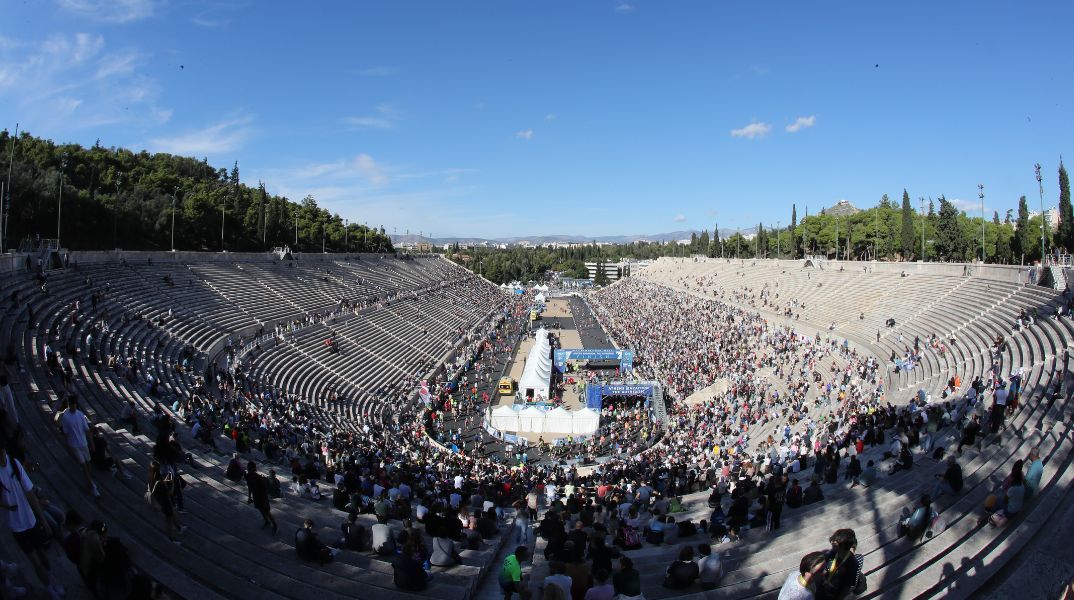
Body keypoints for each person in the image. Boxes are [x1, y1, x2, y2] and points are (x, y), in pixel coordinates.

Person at [0, 445, 65, 599]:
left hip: (30, 518)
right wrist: (6, 505)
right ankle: (49, 588)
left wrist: (42, 518)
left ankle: (52, 582)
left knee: (42, 555)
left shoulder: (15, 464)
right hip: (16, 525)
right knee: (34, 560)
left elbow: (30, 493)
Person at [57, 398, 99, 497]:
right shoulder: (65, 417)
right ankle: (92, 486)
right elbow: (66, 432)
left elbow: (87, 430)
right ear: (69, 405)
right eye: (71, 405)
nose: (73, 406)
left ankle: (89, 481)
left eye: (74, 404)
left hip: (83, 443)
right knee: (84, 465)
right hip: (74, 444)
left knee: (88, 464)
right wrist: (68, 445)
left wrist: (91, 443)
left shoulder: (80, 415)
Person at [148, 460, 184, 544]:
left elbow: (151, 491)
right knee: (169, 520)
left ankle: (179, 527)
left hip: (160, 500)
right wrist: (172, 483)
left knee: (170, 517)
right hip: (165, 502)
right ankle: (171, 538)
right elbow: (170, 492)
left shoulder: (151, 478)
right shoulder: (159, 482)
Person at [817, 529, 859, 600]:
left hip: (834, 594)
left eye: (835, 542)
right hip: (824, 586)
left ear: (843, 546)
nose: (832, 543)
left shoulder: (852, 564)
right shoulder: (832, 553)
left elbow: (847, 587)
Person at [245, 461, 278, 534]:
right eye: (248, 468)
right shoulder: (247, 476)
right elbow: (249, 487)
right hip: (256, 496)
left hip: (262, 497)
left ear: (254, 469)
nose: (249, 470)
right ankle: (266, 521)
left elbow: (264, 490)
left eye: (250, 468)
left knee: (267, 512)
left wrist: (266, 501)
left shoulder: (259, 478)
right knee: (260, 510)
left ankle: (275, 525)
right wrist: (249, 496)